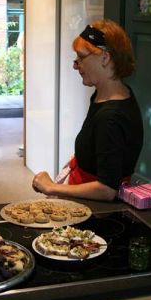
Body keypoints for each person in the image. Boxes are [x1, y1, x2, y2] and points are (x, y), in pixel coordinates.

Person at [32, 19, 144, 201]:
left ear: (105, 58)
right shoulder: (108, 95)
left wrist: (51, 187)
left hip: (95, 211)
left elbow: (107, 189)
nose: (75, 65)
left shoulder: (110, 118)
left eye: (81, 57)